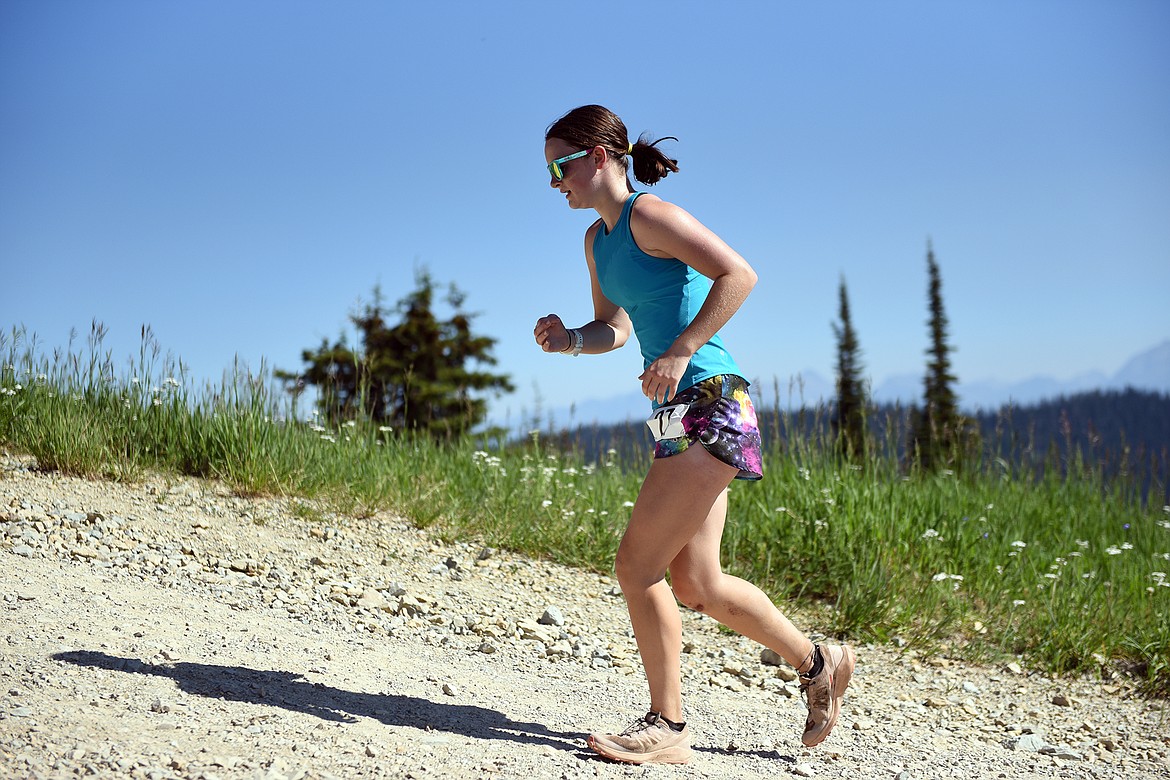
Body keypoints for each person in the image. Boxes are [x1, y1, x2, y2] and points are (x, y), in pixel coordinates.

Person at [533, 104, 855, 765]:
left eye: (560, 167)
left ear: (599, 157)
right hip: (679, 409)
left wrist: (682, 348)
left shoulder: (650, 215)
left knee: (636, 565)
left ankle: (668, 727)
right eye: (548, 173)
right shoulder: (598, 241)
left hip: (712, 394)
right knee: (697, 583)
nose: (555, 182)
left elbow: (739, 273)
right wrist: (571, 341)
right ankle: (820, 662)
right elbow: (616, 328)